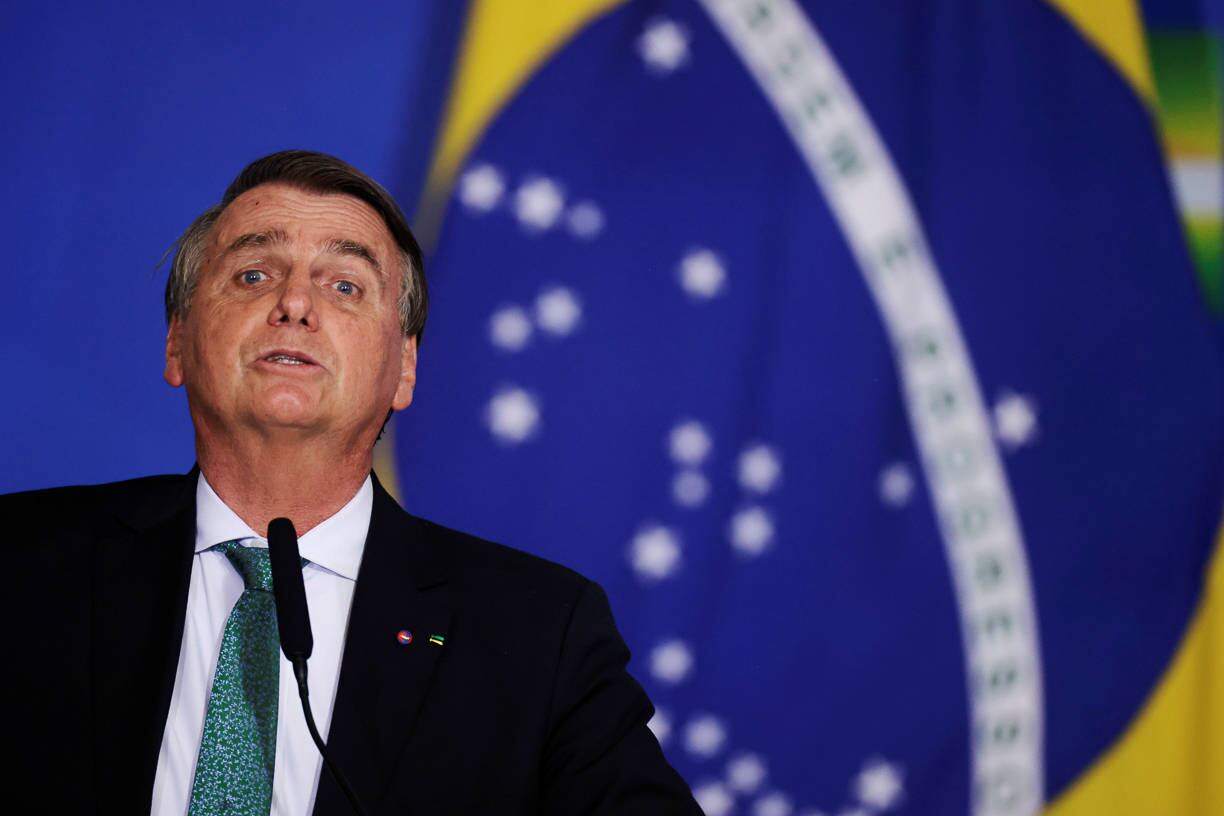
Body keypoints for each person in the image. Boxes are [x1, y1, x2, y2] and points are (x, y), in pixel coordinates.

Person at [6, 151, 700, 815]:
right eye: (253, 274)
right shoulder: (19, 564)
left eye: (344, 286)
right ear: (176, 342)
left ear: (405, 368)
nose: (294, 303)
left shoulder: (539, 638)